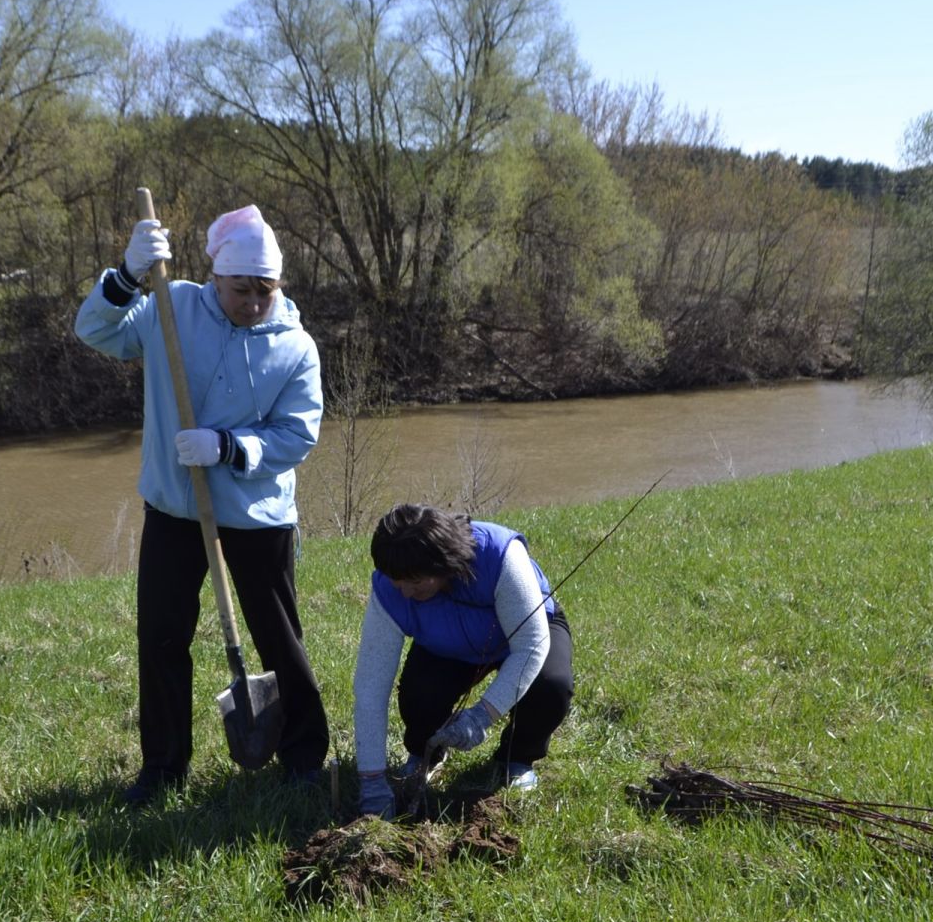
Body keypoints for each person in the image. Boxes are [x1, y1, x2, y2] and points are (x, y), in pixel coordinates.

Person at [75, 205, 328, 805]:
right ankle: (163, 768)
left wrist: (229, 447)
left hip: (255, 515)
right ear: (217, 279)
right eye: (242, 288)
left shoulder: (295, 347)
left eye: (265, 290)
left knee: (278, 636)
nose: (252, 301)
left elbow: (299, 434)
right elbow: (96, 330)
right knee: (162, 637)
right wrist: (125, 277)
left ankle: (303, 756)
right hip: (172, 508)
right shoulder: (173, 307)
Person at [352, 504, 574, 819]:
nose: (404, 592)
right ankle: (426, 753)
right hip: (446, 646)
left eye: (416, 582)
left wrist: (482, 716)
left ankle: (517, 758)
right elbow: (371, 685)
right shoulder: (390, 590)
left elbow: (530, 645)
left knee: (552, 687)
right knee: (419, 694)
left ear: (443, 565)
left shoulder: (499, 554)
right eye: (396, 581)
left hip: (521, 636)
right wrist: (371, 778)